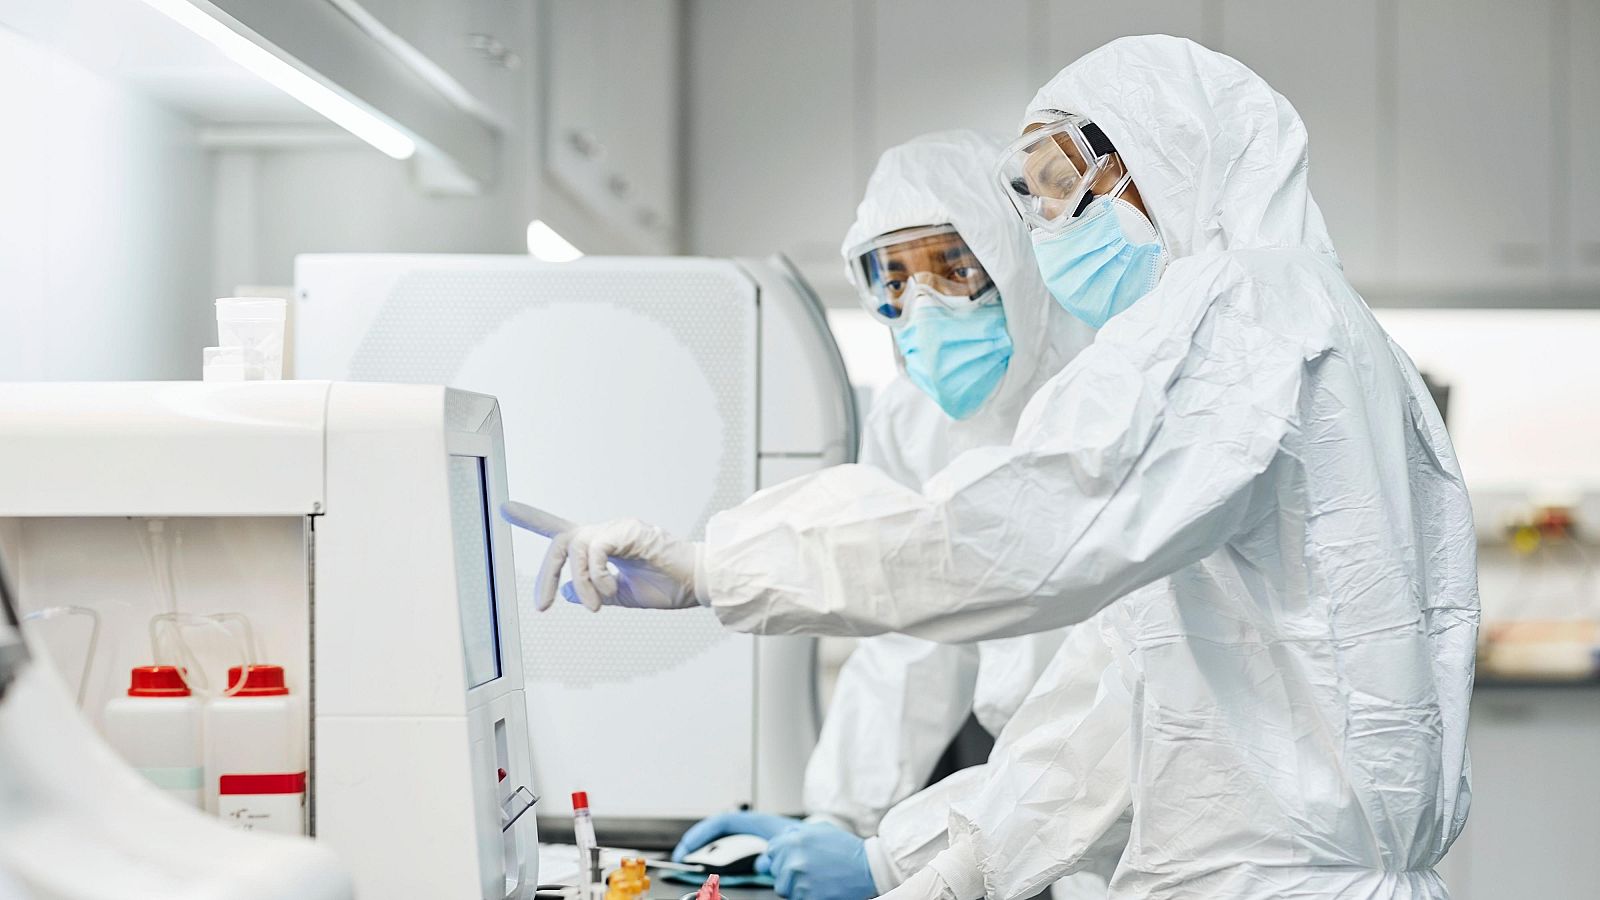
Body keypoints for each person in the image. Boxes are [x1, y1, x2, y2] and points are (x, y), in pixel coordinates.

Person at [508, 34, 1478, 900]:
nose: (1048, 226)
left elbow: (1014, 537)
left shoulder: (1250, 315)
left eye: (1062, 187)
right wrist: (919, 863)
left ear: (1174, 154)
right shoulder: (1297, 328)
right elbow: (1124, 704)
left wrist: (720, 564)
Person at [665, 131, 1108, 900]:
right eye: (894, 279)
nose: (923, 305)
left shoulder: (1103, 390)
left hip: (1122, 804)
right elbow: (910, 639)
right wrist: (840, 815)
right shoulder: (915, 418)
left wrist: (889, 862)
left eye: (953, 268)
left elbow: (1115, 700)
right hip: (1013, 803)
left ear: (1012, 253)